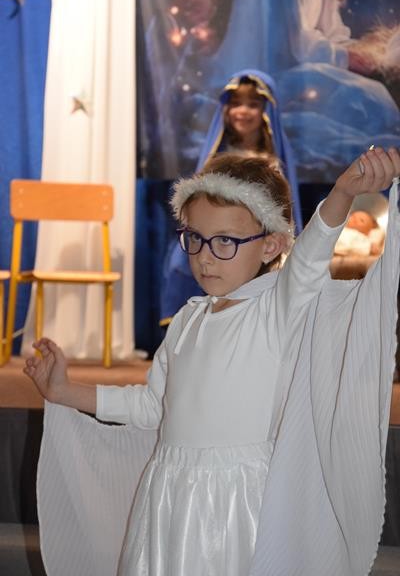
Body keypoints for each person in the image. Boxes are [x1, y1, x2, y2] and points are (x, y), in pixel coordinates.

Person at [24, 147, 400, 576]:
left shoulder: (275, 309)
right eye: (195, 238)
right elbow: (151, 406)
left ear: (272, 244)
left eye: (225, 241)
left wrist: (343, 193)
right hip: (170, 499)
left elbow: (311, 257)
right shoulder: (187, 321)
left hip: (240, 507)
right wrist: (64, 391)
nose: (204, 256)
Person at [160, 69, 303, 326]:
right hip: (221, 244)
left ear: (266, 111)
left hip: (252, 244)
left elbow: (282, 210)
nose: (243, 111)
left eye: (253, 104)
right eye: (236, 104)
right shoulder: (217, 156)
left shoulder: (275, 160)